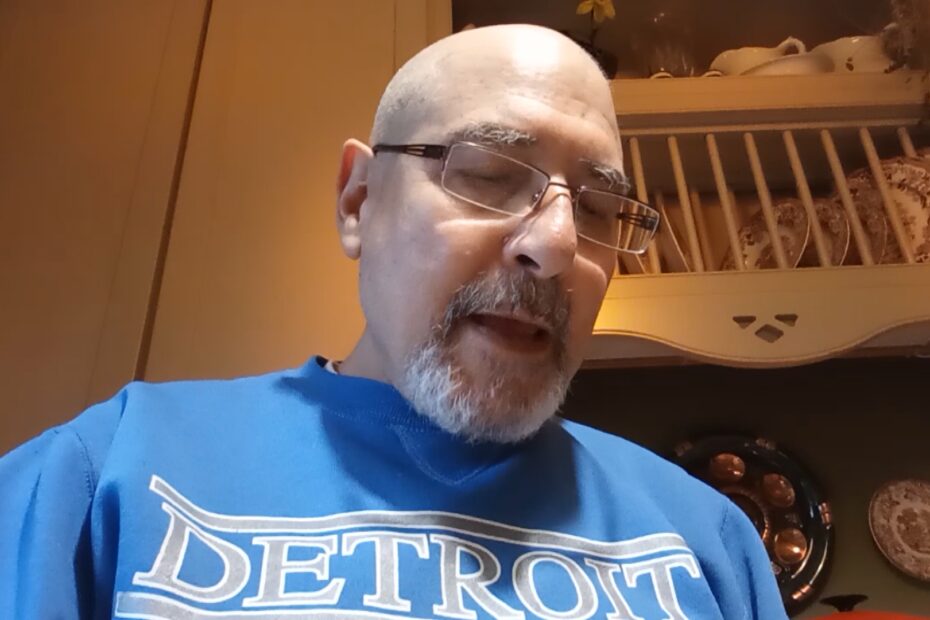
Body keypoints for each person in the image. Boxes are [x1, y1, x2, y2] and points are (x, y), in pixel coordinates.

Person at [0, 24, 786, 619]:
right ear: (359, 202)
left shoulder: (707, 540)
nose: (555, 245)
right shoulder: (103, 472)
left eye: (600, 208)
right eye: (488, 174)